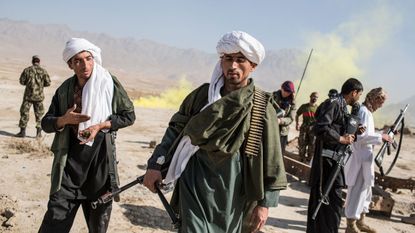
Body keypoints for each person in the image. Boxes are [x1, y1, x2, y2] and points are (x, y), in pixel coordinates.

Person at [143, 31, 287, 233]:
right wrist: (155, 164)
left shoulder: (262, 105)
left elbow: (272, 158)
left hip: (235, 190)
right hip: (195, 180)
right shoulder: (202, 96)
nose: (233, 66)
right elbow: (174, 131)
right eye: (228, 59)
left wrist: (265, 204)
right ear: (221, 61)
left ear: (252, 65)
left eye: (240, 60)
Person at [38, 38, 135, 233]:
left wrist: (101, 126)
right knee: (53, 226)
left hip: (99, 172)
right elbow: (46, 123)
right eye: (78, 61)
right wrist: (64, 120)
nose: (85, 65)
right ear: (70, 65)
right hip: (68, 172)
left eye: (88, 58)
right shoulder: (65, 90)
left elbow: (129, 116)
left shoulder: (109, 84)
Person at [306, 78, 363, 233]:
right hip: (326, 165)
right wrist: (340, 139)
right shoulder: (333, 103)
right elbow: (320, 127)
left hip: (335, 163)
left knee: (333, 206)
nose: (358, 99)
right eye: (359, 95)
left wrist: (354, 132)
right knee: (326, 206)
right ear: (354, 92)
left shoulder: (343, 108)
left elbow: (338, 129)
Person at [344, 88, 390, 233]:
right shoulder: (363, 111)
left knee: (366, 190)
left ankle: (360, 221)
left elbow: (368, 133)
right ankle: (351, 224)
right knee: (357, 191)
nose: (380, 106)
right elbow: (360, 136)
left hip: (366, 158)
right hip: (359, 158)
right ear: (374, 99)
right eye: (380, 102)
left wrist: (383, 134)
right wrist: (380, 137)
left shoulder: (368, 113)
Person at [15, 55, 51, 138]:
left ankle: (22, 132)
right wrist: (40, 85)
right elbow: (48, 83)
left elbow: (22, 81)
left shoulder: (27, 70)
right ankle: (38, 133)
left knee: (24, 113)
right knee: (39, 115)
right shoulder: (43, 71)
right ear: (39, 61)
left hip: (28, 96)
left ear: (32, 61)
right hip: (39, 97)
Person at [272, 80, 296, 155]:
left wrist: (280, 121)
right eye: (285, 90)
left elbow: (291, 118)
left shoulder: (292, 103)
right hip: (270, 128)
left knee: (279, 154)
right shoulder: (272, 96)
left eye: (289, 92)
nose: (286, 93)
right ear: (281, 88)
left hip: (282, 132)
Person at [295, 92, 319, 163]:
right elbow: (297, 115)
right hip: (304, 127)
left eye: (316, 97)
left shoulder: (318, 108)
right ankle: (301, 159)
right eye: (314, 96)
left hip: (313, 129)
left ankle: (308, 160)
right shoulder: (304, 106)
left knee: (312, 145)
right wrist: (297, 124)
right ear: (310, 96)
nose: (315, 98)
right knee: (302, 143)